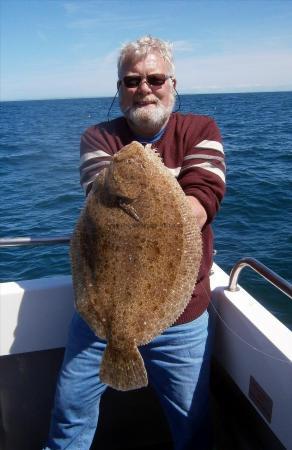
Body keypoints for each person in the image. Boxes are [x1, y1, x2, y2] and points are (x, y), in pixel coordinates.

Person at [44, 36, 226, 450]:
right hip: (99, 318)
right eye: (131, 81)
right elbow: (100, 196)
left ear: (172, 83)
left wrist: (157, 199)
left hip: (183, 315)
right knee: (68, 415)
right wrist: (156, 184)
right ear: (119, 88)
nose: (144, 88)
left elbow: (203, 200)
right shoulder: (98, 136)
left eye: (155, 78)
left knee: (191, 422)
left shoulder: (201, 129)